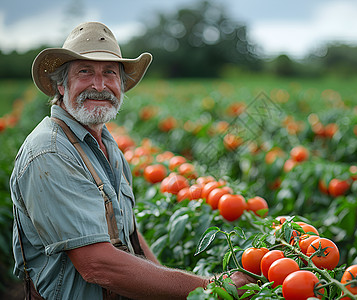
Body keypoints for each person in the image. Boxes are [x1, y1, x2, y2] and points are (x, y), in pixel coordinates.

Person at [10, 21, 254, 299]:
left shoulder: (107, 144)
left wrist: (179, 289)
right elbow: (97, 265)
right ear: (61, 86)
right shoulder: (51, 152)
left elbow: (130, 236)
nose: (99, 85)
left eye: (110, 73)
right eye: (84, 72)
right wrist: (209, 287)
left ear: (121, 85)